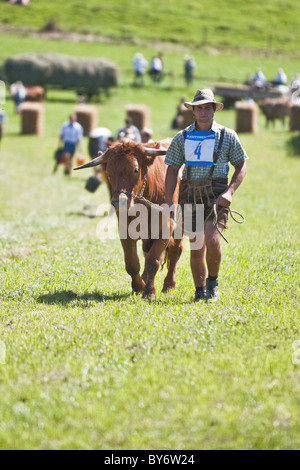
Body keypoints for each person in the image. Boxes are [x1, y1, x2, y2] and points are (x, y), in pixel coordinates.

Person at [165, 89, 248, 303]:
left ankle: (213, 284)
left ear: (214, 109)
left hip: (216, 195)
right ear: (193, 110)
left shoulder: (227, 135)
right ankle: (199, 290)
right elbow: (172, 169)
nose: (203, 111)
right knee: (196, 245)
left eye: (207, 107)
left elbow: (241, 164)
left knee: (211, 239)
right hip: (189, 194)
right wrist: (169, 203)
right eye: (199, 107)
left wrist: (229, 192)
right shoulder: (181, 137)